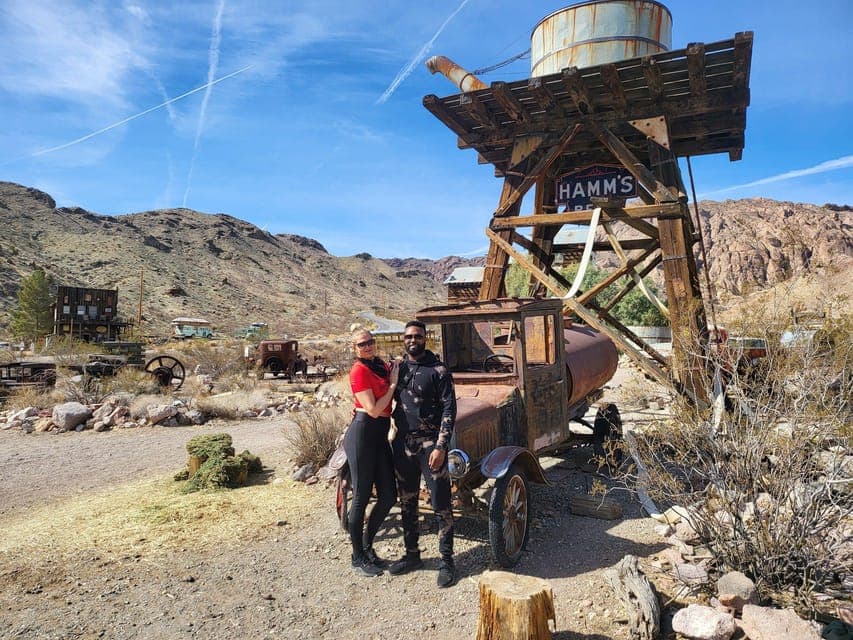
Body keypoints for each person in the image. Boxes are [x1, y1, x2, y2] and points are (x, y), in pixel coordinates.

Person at [389, 320, 458, 587]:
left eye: (417, 336)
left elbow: (449, 411)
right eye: (408, 336)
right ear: (403, 339)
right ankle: (412, 554)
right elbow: (382, 396)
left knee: (441, 504)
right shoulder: (399, 369)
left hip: (431, 447)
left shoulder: (439, 370)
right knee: (407, 501)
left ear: (425, 338)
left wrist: (441, 446)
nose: (412, 340)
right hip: (404, 444)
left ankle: (447, 561)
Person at [344, 327, 400, 577]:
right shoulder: (359, 371)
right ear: (354, 349)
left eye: (370, 342)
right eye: (361, 344)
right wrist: (393, 385)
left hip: (379, 434)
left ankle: (367, 544)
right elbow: (374, 409)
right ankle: (358, 557)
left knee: (388, 495)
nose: (367, 346)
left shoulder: (380, 365)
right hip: (363, 434)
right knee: (361, 497)